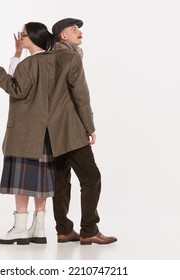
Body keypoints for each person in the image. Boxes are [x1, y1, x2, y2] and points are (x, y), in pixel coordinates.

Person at [0, 22, 56, 245]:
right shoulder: (54, 61)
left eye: (23, 35)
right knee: (40, 182)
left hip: (26, 130)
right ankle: (39, 229)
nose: (20, 37)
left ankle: (20, 228)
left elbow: (16, 88)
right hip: (48, 131)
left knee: (23, 182)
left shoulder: (29, 64)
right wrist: (17, 53)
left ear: (33, 38)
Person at [51, 18, 117, 244]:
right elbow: (81, 95)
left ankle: (63, 230)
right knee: (91, 177)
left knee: (61, 179)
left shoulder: (48, 57)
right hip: (71, 128)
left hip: (51, 130)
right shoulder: (71, 57)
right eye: (74, 29)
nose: (79, 32)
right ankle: (89, 230)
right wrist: (89, 127)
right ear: (63, 36)